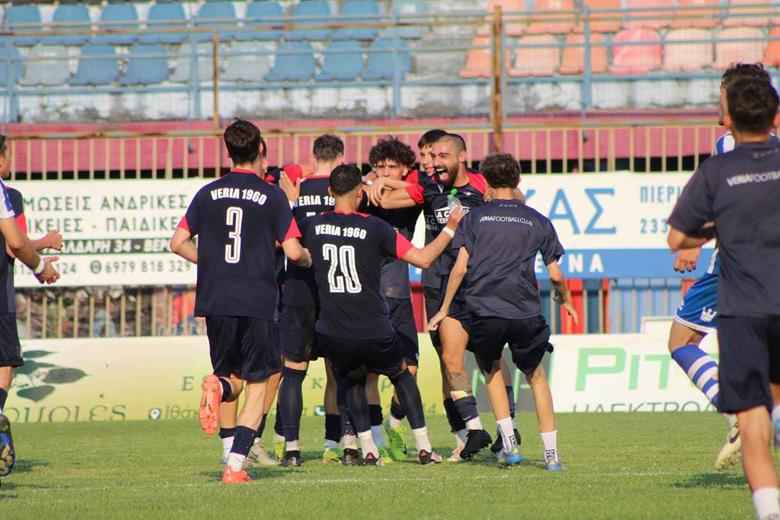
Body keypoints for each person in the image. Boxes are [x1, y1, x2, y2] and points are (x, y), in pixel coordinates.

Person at [170, 120, 311, 484]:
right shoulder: (271, 196)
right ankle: (235, 466)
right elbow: (293, 251)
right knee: (259, 383)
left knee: (230, 378)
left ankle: (217, 388)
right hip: (257, 300)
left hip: (216, 299)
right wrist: (309, 258)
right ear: (261, 149)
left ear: (228, 151)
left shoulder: (207, 193)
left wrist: (211, 264)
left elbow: (177, 242)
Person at [667, 76, 780, 520]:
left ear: (731, 110)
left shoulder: (722, 159)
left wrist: (698, 239)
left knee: (681, 342)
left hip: (739, 284)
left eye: (721, 97)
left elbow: (681, 233)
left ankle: (730, 408)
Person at [368, 132, 518, 461]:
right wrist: (378, 182)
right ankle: (466, 433)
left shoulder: (481, 184)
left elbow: (515, 198)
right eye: (430, 156)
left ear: (461, 157)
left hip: (478, 283)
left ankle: (510, 426)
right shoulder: (428, 187)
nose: (433, 162)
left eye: (440, 156)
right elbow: (388, 200)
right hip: (438, 284)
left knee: (490, 356)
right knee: (448, 361)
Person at [301, 164, 463, 465]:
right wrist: (451, 227)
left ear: (330, 192)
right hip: (372, 325)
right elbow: (424, 259)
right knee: (401, 375)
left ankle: (368, 449)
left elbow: (289, 249)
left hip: (332, 328)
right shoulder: (376, 228)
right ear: (360, 193)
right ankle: (424, 446)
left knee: (351, 381)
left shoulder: (312, 226)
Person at [429, 154, 577, 470]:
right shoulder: (537, 219)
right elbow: (555, 274)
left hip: (486, 310)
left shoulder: (475, 218)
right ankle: (551, 455)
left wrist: (444, 309)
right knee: (537, 378)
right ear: (517, 180)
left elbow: (459, 268)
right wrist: (564, 299)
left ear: (486, 181)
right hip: (525, 311)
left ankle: (509, 445)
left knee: (493, 369)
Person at [276, 135, 345, 466]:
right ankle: (335, 445)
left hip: (298, 290)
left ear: (314, 156)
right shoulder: (344, 191)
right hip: (335, 289)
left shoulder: (295, 191)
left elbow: (280, 240)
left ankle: (290, 448)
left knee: (293, 372)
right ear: (341, 158)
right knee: (338, 372)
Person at [0, 134, 61, 478]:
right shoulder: (8, 194)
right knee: (5, 362)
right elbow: (15, 244)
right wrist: (43, 256)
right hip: (0, 295)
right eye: (7, 154)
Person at [363, 137, 423, 462]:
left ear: (405, 169)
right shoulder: (362, 193)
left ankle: (395, 424)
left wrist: (381, 183)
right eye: (380, 166)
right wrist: (370, 184)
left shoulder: (409, 192)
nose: (385, 171)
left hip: (398, 291)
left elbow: (404, 196)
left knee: (409, 369)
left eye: (392, 167)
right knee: (369, 373)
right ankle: (373, 439)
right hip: (369, 293)